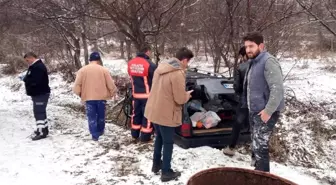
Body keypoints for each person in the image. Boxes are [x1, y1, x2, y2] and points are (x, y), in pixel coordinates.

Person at [144, 47, 194, 182]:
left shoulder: (160, 69)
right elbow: (179, 99)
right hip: (166, 113)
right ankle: (166, 172)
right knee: (168, 142)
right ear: (184, 60)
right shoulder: (177, 73)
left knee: (159, 137)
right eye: (188, 62)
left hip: (154, 110)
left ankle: (156, 165)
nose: (187, 65)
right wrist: (187, 96)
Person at [242, 31, 284, 172]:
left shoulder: (268, 61)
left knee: (260, 146)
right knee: (255, 145)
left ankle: (262, 177)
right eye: (246, 46)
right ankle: (257, 174)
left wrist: (268, 111)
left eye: (251, 46)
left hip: (265, 112)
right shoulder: (253, 62)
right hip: (254, 111)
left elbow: (277, 89)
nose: (248, 49)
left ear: (261, 45)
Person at [73, 52, 117, 141]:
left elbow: (77, 85)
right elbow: (110, 84)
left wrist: (80, 94)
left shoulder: (82, 70)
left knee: (91, 116)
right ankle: (100, 130)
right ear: (99, 60)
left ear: (90, 60)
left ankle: (94, 134)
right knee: (101, 115)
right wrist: (113, 92)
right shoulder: (104, 70)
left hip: (88, 97)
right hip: (102, 97)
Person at [223, 46, 250, 156]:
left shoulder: (241, 68)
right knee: (256, 124)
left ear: (244, 55)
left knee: (237, 123)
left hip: (245, 101)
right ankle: (256, 151)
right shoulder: (261, 66)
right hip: (259, 102)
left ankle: (231, 147)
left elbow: (237, 86)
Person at [127, 45, 157, 142]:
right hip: (147, 95)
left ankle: (135, 134)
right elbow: (156, 80)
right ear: (147, 52)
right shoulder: (150, 64)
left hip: (135, 95)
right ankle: (145, 137)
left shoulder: (130, 63)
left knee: (136, 114)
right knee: (147, 115)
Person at [23, 52, 51, 141]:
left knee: (39, 113)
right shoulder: (36, 66)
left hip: (40, 93)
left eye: (27, 60)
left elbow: (35, 81)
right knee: (41, 112)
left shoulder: (38, 67)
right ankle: (44, 129)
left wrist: (26, 80)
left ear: (31, 58)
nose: (27, 62)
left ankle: (41, 132)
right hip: (38, 93)